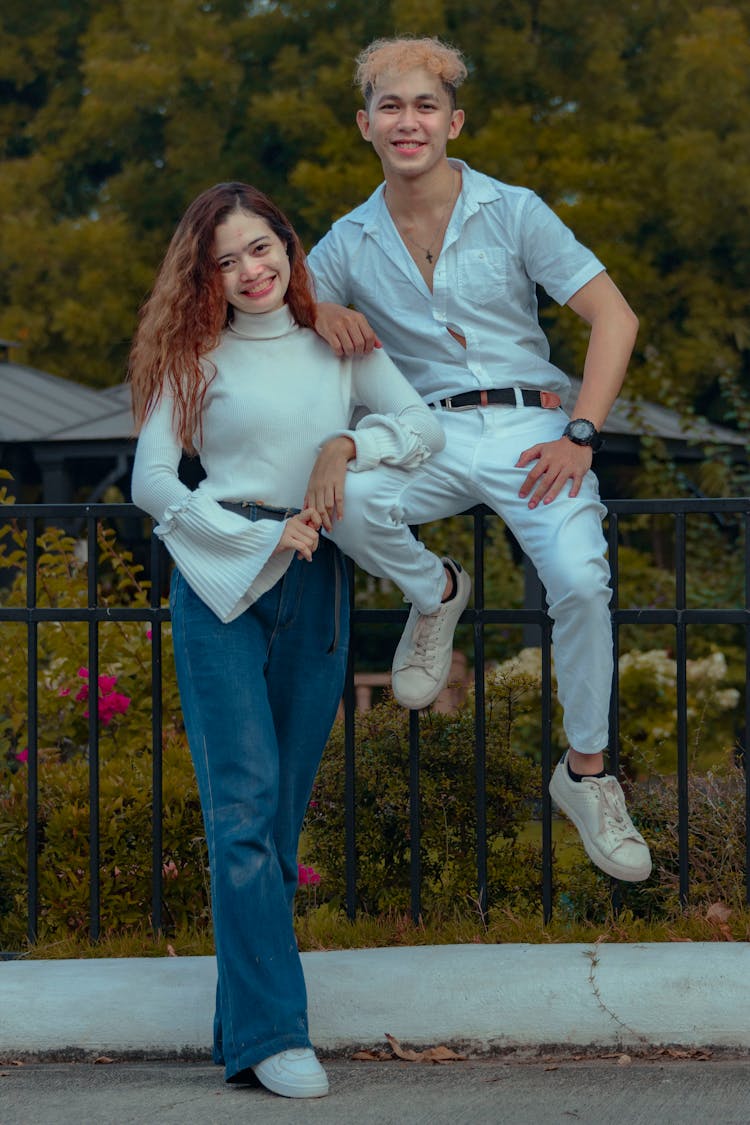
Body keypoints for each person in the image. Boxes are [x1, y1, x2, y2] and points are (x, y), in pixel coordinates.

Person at [129, 181, 449, 1099]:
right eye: (226, 260)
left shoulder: (337, 344)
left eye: (261, 248)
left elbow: (419, 427)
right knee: (240, 815)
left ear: (288, 247)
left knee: (274, 822)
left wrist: (345, 451)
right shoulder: (196, 357)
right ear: (207, 276)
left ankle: (244, 1030)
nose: (249, 271)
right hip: (220, 586)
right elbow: (154, 482)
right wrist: (250, 535)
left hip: (317, 585)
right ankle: (277, 1032)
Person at [307, 36, 652, 884]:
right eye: (391, 106)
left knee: (578, 582)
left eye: (425, 106)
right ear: (366, 124)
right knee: (341, 495)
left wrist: (581, 432)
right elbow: (277, 309)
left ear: (452, 121)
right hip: (424, 432)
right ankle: (437, 591)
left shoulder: (516, 209)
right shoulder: (347, 241)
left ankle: (585, 773)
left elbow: (616, 317)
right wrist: (317, 314)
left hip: (534, 429)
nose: (408, 121)